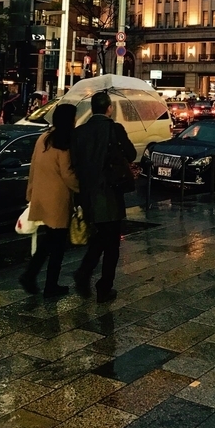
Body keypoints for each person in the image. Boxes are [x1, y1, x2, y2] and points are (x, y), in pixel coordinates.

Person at [71, 91, 136, 303]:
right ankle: (104, 287)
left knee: (100, 237)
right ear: (109, 108)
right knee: (111, 244)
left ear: (92, 108)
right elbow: (132, 154)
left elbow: (76, 164)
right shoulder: (114, 129)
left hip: (88, 194)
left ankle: (83, 273)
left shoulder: (80, 132)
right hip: (109, 193)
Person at [19, 103, 79, 298]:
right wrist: (82, 188)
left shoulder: (43, 138)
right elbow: (68, 174)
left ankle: (31, 275)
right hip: (57, 200)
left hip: (41, 197)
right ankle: (49, 285)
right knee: (57, 245)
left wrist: (30, 193)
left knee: (48, 241)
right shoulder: (64, 143)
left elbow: (33, 167)